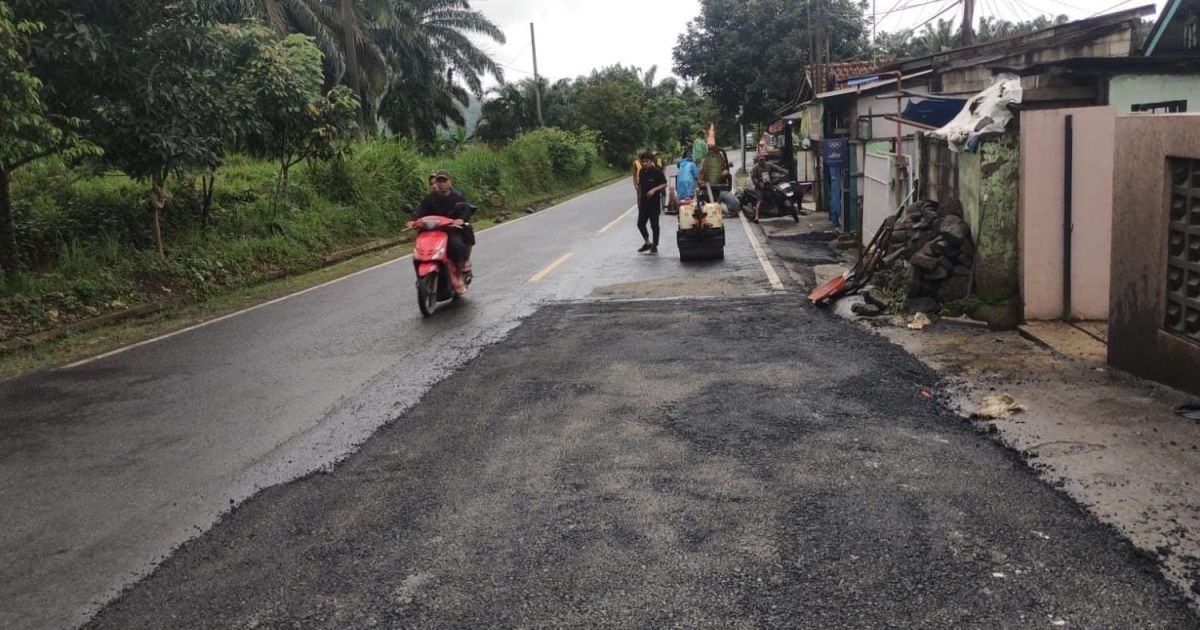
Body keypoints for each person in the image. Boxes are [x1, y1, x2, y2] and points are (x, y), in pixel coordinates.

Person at [413, 170, 473, 274]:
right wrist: (413, 221)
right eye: (439, 181)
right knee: (419, 249)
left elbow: (464, 212)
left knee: (456, 245)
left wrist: (460, 220)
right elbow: (421, 213)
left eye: (444, 181)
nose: (442, 184)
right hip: (432, 232)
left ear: (450, 182)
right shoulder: (429, 199)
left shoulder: (457, 198)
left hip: (451, 231)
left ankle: (459, 275)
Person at [635, 151, 668, 254]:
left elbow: (665, 184)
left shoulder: (657, 172)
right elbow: (640, 186)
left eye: (647, 161)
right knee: (640, 224)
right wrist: (639, 200)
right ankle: (647, 242)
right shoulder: (641, 172)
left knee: (654, 225)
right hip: (644, 203)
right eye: (643, 161)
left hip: (654, 203)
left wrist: (654, 190)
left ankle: (654, 245)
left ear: (651, 161)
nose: (645, 163)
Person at [750, 155, 789, 223]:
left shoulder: (769, 165)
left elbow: (777, 168)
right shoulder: (755, 168)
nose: (762, 161)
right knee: (760, 201)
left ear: (765, 160)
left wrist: (783, 171)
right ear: (758, 161)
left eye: (763, 160)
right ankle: (756, 216)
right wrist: (759, 183)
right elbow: (753, 178)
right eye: (760, 160)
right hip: (760, 187)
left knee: (776, 193)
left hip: (769, 185)